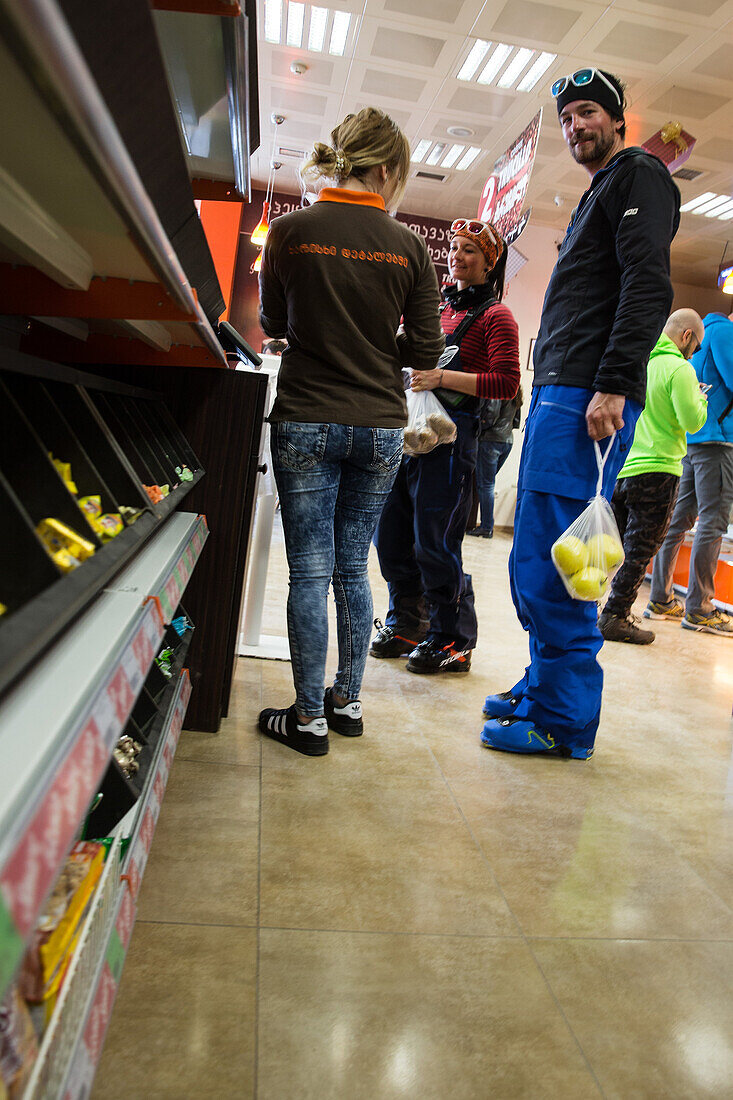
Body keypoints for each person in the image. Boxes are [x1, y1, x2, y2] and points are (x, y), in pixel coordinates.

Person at [481, 67, 680, 759]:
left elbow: (647, 282)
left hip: (584, 400)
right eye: (566, 118)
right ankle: (543, 686)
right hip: (558, 394)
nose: (574, 127)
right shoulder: (600, 188)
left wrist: (614, 385)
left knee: (558, 568)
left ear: (618, 118)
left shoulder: (638, 176)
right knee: (535, 557)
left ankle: (562, 721)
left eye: (587, 112)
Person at [257, 107, 445, 755]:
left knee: (307, 571)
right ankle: (348, 701)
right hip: (379, 428)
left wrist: (325, 333)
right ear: (388, 169)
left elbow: (273, 323)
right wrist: (374, 343)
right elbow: (426, 355)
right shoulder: (411, 247)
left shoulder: (288, 231)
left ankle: (307, 718)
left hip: (305, 415)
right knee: (350, 569)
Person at [371, 219, 520, 673]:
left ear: (490, 262)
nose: (457, 256)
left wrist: (441, 377)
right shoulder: (435, 310)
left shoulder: (497, 317)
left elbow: (507, 381)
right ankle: (406, 621)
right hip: (408, 435)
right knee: (391, 534)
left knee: (434, 541)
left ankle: (453, 637)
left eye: (470, 251)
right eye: (454, 249)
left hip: (454, 443)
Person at [598, 310, 708, 644]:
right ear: (686, 336)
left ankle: (589, 608)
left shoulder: (642, 361)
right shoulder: (680, 369)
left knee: (612, 545)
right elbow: (692, 421)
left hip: (625, 465)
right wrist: (701, 400)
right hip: (660, 469)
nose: (695, 353)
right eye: (697, 346)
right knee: (641, 548)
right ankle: (616, 615)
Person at [646, 310, 733, 636]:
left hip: (694, 441)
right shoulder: (724, 333)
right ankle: (700, 608)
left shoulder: (701, 337)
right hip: (718, 441)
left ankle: (661, 598)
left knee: (679, 520)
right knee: (713, 523)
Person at [468, 386, 523, 538]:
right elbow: (516, 420)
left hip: (490, 440)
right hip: (507, 441)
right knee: (487, 484)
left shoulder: (499, 388)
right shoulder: (516, 390)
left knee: (485, 485)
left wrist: (478, 428)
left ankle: (486, 527)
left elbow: (490, 414)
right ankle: (486, 526)